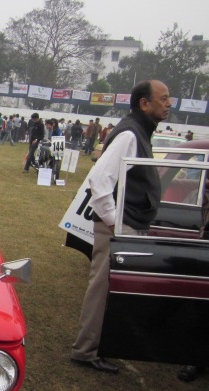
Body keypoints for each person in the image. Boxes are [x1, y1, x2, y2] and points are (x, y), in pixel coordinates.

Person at [71, 80, 172, 374]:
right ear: (144, 103)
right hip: (119, 226)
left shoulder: (139, 131)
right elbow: (99, 183)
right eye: (163, 99)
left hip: (125, 223)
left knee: (109, 290)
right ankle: (85, 350)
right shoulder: (130, 133)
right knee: (102, 290)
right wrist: (118, 226)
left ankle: (94, 346)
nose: (168, 104)